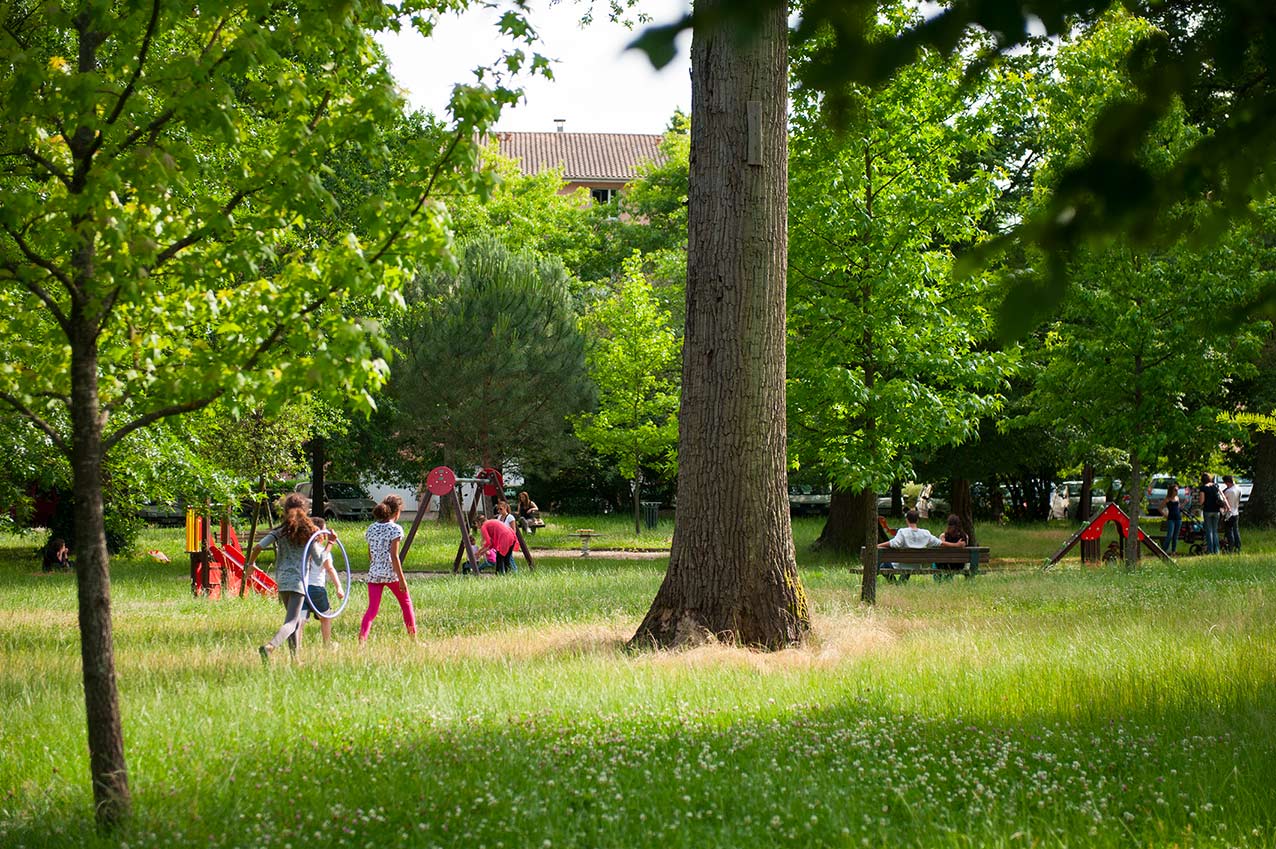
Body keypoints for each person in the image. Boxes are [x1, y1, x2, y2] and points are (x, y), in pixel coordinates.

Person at [247, 493, 323, 664]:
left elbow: (259, 546)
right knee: (291, 622)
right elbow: (319, 559)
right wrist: (328, 542)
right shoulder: (309, 532)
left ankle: (295, 660)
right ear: (305, 510)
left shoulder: (280, 532)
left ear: (286, 510)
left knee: (293, 623)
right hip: (298, 582)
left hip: (282, 580)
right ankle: (270, 647)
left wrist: (250, 564)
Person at [359, 494, 416, 642]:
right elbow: (394, 556)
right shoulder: (395, 529)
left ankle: (362, 639)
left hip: (374, 574)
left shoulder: (371, 528)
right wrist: (402, 580)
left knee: (372, 610)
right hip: (391, 575)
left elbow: (370, 555)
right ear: (397, 512)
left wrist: (376, 566)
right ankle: (413, 638)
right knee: (406, 604)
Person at [303, 518, 344, 647]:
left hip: (302, 589)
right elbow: (330, 569)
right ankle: (327, 645)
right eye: (325, 530)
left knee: (300, 619)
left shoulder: (303, 549)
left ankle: (296, 647)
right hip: (316, 589)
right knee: (326, 618)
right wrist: (339, 587)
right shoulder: (322, 551)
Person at [1199, 473, 1223, 555]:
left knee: (1209, 531)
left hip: (1208, 510)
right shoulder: (1215, 486)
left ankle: (1210, 550)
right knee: (1215, 531)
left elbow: (1201, 501)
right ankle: (1217, 550)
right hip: (1216, 511)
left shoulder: (1203, 488)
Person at [1221, 475, 1241, 553]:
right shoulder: (1238, 488)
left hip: (1229, 513)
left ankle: (1231, 547)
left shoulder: (1228, 491)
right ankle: (1238, 546)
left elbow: (1223, 501)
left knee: (1229, 531)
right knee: (1236, 530)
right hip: (1236, 512)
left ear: (1227, 482)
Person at [1161, 479, 1182, 555]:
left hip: (1178, 518)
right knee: (1169, 535)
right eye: (1175, 490)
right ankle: (1163, 550)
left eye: (1177, 490)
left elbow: (1179, 508)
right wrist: (1165, 515)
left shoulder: (1177, 498)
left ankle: (1173, 551)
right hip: (1171, 519)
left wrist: (1184, 503)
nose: (1177, 492)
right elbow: (1160, 508)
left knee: (1175, 536)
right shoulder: (1167, 499)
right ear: (1171, 491)